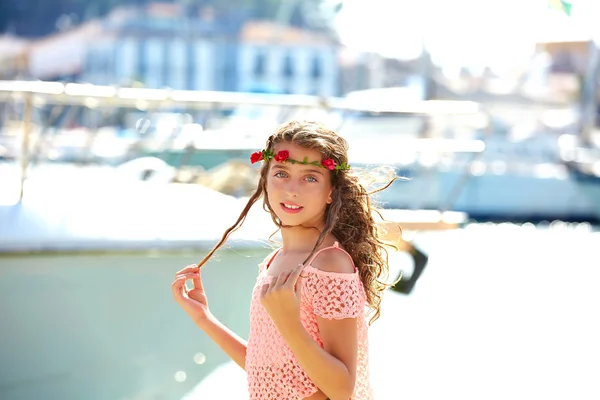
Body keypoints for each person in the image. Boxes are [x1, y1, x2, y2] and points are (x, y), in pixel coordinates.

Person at [172, 120, 403, 400]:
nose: (292, 189)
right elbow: (268, 371)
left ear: (332, 191)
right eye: (281, 173)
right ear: (265, 178)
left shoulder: (329, 264)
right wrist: (204, 318)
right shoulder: (275, 260)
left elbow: (342, 390)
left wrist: (289, 323)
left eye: (310, 178)